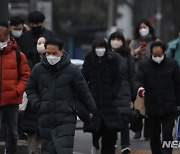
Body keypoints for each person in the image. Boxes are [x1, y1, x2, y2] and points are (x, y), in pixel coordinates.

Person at [25, 37, 96, 154]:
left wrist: (91, 109)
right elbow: (30, 89)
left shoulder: (72, 70)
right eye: (48, 53)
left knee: (63, 149)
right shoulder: (38, 69)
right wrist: (38, 104)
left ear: (61, 52)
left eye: (54, 53)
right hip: (45, 118)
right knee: (48, 150)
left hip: (66, 117)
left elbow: (83, 91)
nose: (51, 56)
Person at [134, 41, 180, 154]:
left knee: (167, 134)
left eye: (159, 55)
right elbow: (138, 80)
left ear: (164, 53)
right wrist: (140, 88)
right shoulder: (144, 65)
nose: (157, 57)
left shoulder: (172, 64)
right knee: (154, 135)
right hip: (152, 106)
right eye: (155, 55)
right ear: (151, 54)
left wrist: (178, 103)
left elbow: (178, 84)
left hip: (169, 106)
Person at [82, 37, 124, 154]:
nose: (100, 50)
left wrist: (113, 92)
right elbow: (83, 79)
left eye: (102, 47)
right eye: (98, 47)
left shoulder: (112, 61)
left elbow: (118, 78)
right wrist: (87, 94)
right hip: (93, 101)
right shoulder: (89, 61)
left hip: (109, 102)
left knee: (110, 133)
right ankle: (95, 144)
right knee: (95, 129)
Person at [0, 24, 30, 154]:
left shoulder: (18, 55)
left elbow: (26, 75)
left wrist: (17, 90)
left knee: (12, 132)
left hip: (11, 99)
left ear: (8, 37)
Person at [129, 18, 158, 140]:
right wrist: (136, 51)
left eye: (145, 27)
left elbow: (160, 56)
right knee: (137, 104)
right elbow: (129, 58)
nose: (143, 30)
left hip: (152, 76)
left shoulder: (156, 42)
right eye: (140, 27)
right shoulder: (134, 42)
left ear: (149, 28)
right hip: (137, 76)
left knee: (150, 105)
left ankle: (148, 132)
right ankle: (137, 129)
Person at [108, 31, 136, 154]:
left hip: (124, 89)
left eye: (119, 39)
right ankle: (111, 142)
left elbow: (132, 75)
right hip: (109, 91)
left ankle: (125, 145)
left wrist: (133, 95)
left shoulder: (127, 56)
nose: (116, 41)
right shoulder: (105, 55)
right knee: (111, 118)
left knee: (124, 119)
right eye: (113, 39)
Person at [22, 37, 46, 154]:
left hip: (48, 107)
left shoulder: (55, 62)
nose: (41, 45)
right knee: (33, 142)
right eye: (39, 43)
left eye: (43, 43)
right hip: (32, 106)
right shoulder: (29, 61)